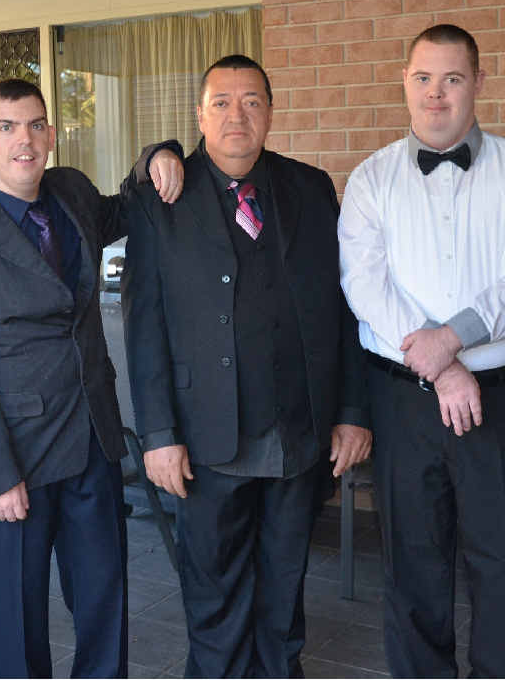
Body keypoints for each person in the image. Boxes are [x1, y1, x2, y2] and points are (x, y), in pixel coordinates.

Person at [122, 55, 372, 677]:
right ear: (200, 115)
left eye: (253, 101)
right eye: (223, 102)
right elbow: (144, 322)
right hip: (204, 438)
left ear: (271, 111)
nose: (239, 115)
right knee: (214, 597)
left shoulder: (311, 188)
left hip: (297, 434)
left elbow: (343, 309)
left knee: (284, 591)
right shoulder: (163, 197)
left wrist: (350, 412)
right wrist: (157, 435)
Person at [0, 78, 134, 678]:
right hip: (16, 456)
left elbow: (128, 206)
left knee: (104, 605)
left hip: (93, 439)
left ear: (53, 136)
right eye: (7, 127)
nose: (24, 139)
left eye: (36, 124)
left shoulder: (71, 193)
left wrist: (161, 154)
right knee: (17, 619)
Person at [339, 24, 505, 677]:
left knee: (500, 555)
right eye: (423, 79)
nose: (437, 95)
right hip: (402, 399)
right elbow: (365, 283)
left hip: (497, 398)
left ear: (478, 85)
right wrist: (440, 365)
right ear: (405, 84)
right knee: (413, 560)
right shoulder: (371, 179)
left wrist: (453, 336)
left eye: (453, 79)